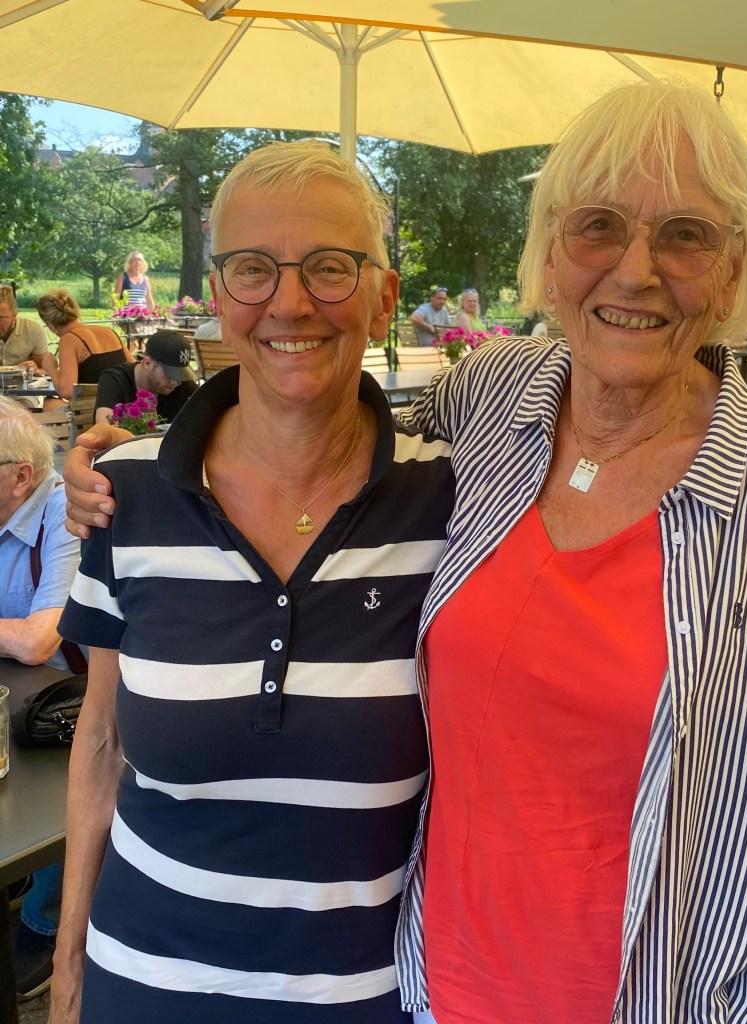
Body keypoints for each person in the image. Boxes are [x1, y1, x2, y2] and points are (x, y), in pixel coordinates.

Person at [64, 81, 747, 1024]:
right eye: (598, 226)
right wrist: (121, 468)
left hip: (649, 995)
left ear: (732, 271)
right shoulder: (492, 404)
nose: (635, 270)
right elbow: (320, 432)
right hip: (429, 989)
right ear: (552, 253)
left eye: (685, 236)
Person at [52, 140, 453, 1024]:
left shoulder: (454, 501)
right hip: (142, 989)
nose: (290, 302)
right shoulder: (127, 495)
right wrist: (69, 974)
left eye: (330, 267)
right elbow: (102, 744)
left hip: (369, 998)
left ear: (386, 295)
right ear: (218, 298)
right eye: (252, 269)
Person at [0, 397, 86, 1002]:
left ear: (19, 476)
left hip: (70, 705)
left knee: (56, 800)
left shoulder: (65, 514)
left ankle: (47, 919)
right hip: (14, 694)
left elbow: (38, 642)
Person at [35, 289, 132, 400]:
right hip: (123, 404)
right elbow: (133, 369)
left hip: (92, 407)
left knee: (50, 402)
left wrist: (52, 370)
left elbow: (67, 392)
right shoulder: (109, 332)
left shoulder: (69, 340)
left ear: (49, 324)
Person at [93, 330, 197, 425]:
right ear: (147, 363)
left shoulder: (182, 383)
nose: (177, 382)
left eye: (180, 374)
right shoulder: (115, 379)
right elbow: (104, 428)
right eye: (171, 373)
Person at [0, 284, 57, 376]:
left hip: (23, 383)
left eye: (1, 317)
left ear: (14, 314)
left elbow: (46, 369)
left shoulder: (32, 330)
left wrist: (34, 370)